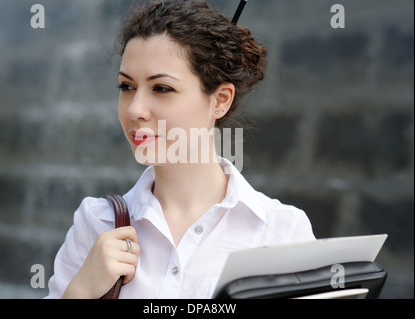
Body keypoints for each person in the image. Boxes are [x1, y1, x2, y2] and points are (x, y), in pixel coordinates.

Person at [45, 0, 315, 299]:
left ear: (220, 100)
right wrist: (79, 293)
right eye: (126, 86)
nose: (135, 109)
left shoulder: (282, 231)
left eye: (161, 88)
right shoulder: (96, 222)